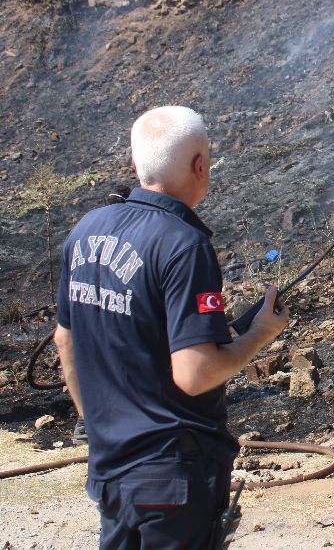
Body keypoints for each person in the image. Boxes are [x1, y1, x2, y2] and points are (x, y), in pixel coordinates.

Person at [53, 105, 288, 549]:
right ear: (201, 166)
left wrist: (98, 425)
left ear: (134, 164)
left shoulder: (85, 229)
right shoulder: (183, 244)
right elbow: (195, 374)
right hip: (171, 478)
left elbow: (66, 339)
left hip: (109, 468)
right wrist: (260, 334)